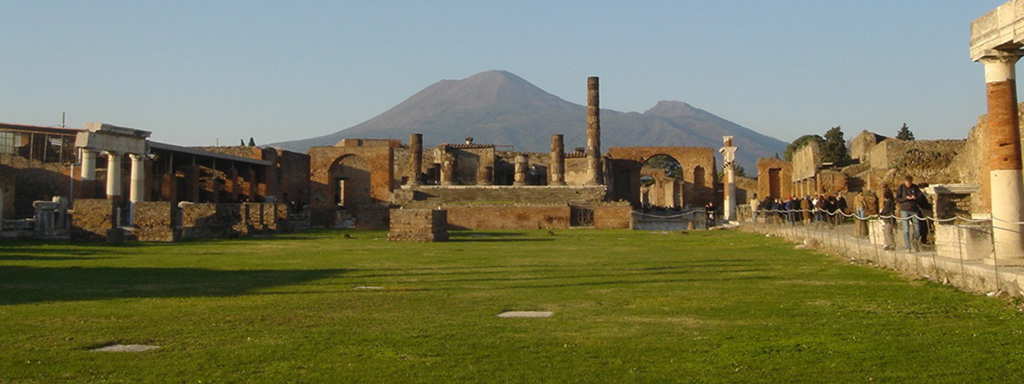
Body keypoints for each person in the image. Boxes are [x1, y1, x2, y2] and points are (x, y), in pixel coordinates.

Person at [897, 175, 925, 251]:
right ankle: (907, 246)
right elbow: (898, 199)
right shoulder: (901, 188)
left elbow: (920, 196)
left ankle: (915, 242)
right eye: (907, 182)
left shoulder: (915, 187)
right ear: (905, 181)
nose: (908, 184)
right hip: (904, 210)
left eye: (910, 182)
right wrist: (905, 198)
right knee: (906, 229)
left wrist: (915, 197)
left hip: (914, 210)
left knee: (917, 229)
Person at [880, 185, 897, 250]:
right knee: (887, 232)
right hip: (888, 218)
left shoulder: (889, 201)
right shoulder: (889, 201)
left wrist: (881, 213)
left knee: (888, 232)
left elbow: (886, 210)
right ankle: (888, 244)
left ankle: (891, 244)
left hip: (889, 219)